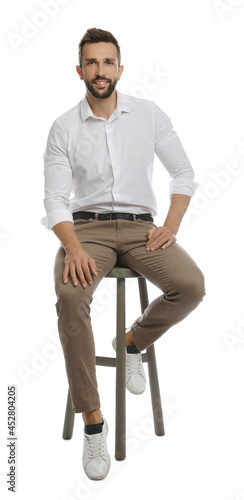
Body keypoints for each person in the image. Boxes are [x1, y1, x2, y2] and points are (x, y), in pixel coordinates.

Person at [41, 27, 205, 481]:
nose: (100, 70)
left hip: (142, 231)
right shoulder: (63, 127)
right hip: (87, 230)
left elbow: (184, 174)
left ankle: (133, 341)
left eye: (107, 62)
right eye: (91, 63)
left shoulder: (149, 115)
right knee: (71, 298)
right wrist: (71, 245)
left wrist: (169, 227)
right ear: (80, 70)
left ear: (120, 68)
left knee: (191, 286)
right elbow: (55, 199)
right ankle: (93, 420)